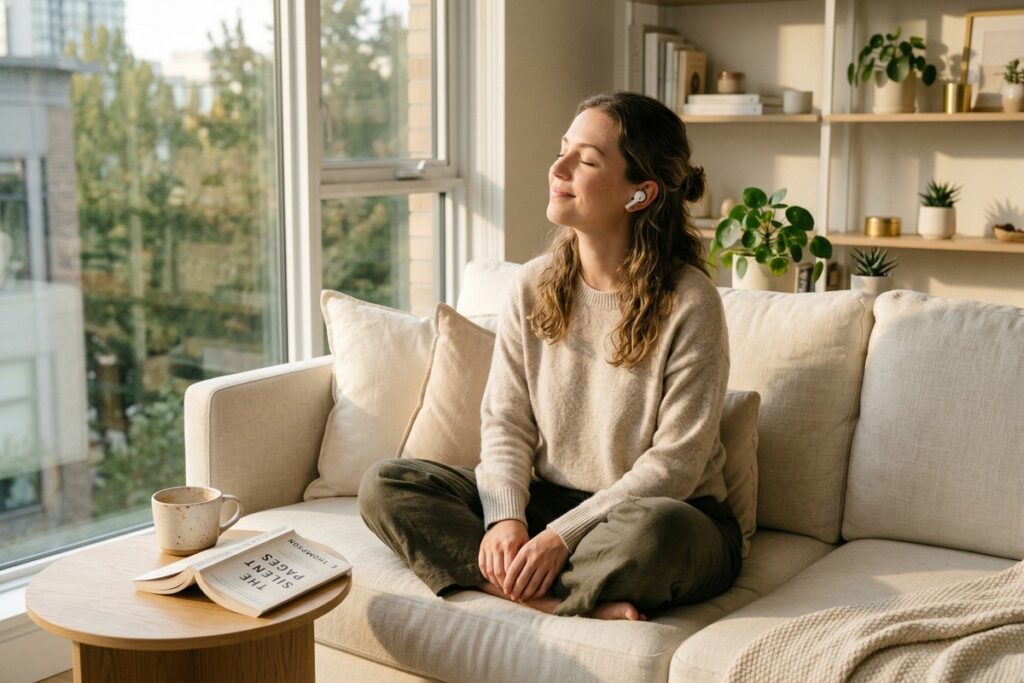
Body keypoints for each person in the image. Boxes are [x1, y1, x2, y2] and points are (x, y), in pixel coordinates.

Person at [360, 91, 740, 621]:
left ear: (640, 194)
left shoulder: (691, 303)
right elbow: (506, 421)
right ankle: (557, 596)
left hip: (661, 514)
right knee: (386, 485)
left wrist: (560, 537)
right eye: (564, 149)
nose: (557, 168)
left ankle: (524, 581)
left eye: (585, 160)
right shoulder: (531, 285)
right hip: (548, 501)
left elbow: (675, 466)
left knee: (657, 536)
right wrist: (506, 519)